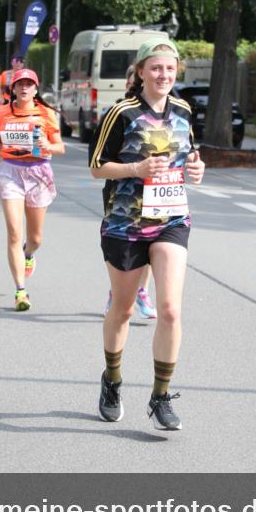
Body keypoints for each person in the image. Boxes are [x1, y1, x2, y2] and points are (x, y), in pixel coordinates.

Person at [89, 39, 205, 431]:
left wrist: (196, 170)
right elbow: (97, 167)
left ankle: (161, 395)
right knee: (121, 311)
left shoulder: (185, 110)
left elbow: (190, 155)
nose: (164, 76)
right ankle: (112, 380)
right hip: (126, 224)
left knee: (171, 310)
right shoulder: (121, 113)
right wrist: (136, 169)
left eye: (170, 69)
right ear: (141, 72)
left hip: (171, 219)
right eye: (156, 68)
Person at [0, 68, 64, 311]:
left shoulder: (46, 113)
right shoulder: (1, 113)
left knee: (35, 238)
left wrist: (47, 144)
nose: (24, 88)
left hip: (38, 172)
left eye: (29, 84)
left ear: (36, 89)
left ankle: (28, 254)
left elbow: (60, 147)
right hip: (11, 171)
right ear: (14, 88)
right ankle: (20, 291)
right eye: (20, 83)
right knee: (13, 232)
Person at [103, 63, 156, 320]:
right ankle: (118, 289)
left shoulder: (159, 113)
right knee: (119, 245)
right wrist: (133, 168)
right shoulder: (120, 113)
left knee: (149, 243)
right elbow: (100, 161)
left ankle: (142, 290)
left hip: (153, 192)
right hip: (118, 191)